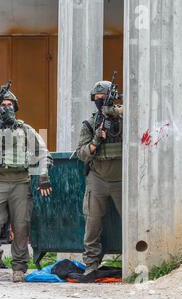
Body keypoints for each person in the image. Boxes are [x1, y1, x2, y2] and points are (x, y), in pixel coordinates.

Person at [0, 90, 53, 283]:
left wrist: (43, 174)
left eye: (10, 104)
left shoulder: (25, 129)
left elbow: (43, 153)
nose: (7, 107)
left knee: (21, 226)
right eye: (3, 104)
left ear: (16, 107)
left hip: (21, 182)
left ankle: (19, 267)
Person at [76, 81, 124, 275]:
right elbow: (81, 152)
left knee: (131, 221)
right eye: (97, 98)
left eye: (104, 97)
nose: (101, 100)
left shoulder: (124, 118)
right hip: (98, 178)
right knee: (92, 223)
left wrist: (119, 112)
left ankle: (134, 259)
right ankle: (91, 263)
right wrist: (96, 140)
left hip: (122, 180)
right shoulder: (90, 123)